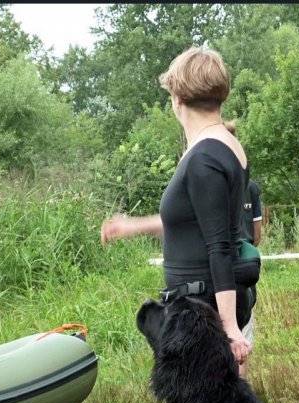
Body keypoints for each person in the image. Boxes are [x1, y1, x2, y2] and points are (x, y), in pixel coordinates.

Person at [101, 46, 260, 368]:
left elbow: (219, 245)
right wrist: (133, 226)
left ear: (177, 98)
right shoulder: (223, 145)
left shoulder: (204, 156)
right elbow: (198, 219)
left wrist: (228, 327)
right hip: (203, 302)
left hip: (203, 308)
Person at [223, 121, 263, 378]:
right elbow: (257, 236)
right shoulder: (251, 186)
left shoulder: (209, 180)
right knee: (241, 342)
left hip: (216, 274)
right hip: (246, 272)